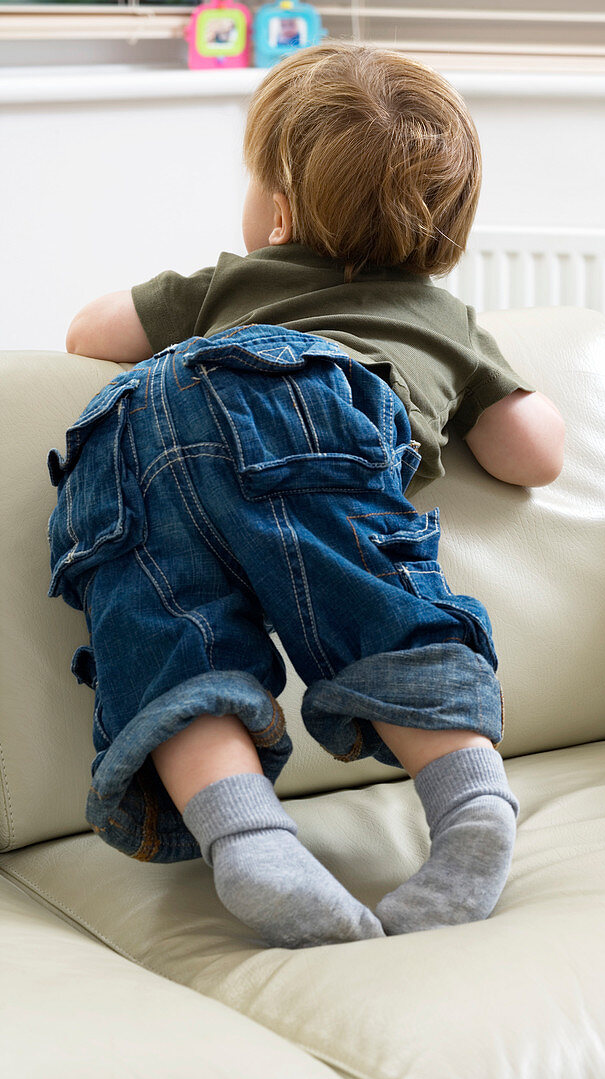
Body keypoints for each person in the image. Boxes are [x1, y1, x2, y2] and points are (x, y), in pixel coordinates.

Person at [51, 42, 565, 950]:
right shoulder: (442, 321)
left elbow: (90, 330)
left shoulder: (226, 285)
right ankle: (472, 810)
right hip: (314, 408)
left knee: (173, 635)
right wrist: (505, 389)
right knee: (377, 609)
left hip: (131, 422)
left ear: (278, 212)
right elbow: (533, 457)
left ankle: (247, 840)